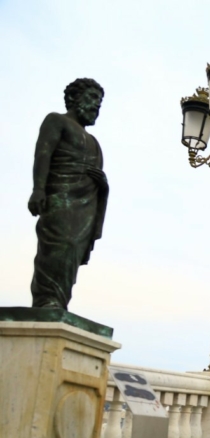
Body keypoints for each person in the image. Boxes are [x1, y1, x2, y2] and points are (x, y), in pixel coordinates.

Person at [28, 78, 108, 311]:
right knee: (57, 247)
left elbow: (98, 176)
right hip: (59, 196)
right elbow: (42, 155)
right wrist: (38, 189)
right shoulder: (56, 121)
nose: (96, 106)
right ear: (74, 98)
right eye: (93, 99)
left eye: (100, 103)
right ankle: (45, 301)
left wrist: (103, 185)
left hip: (85, 206)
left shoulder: (94, 142)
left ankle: (59, 303)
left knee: (72, 251)